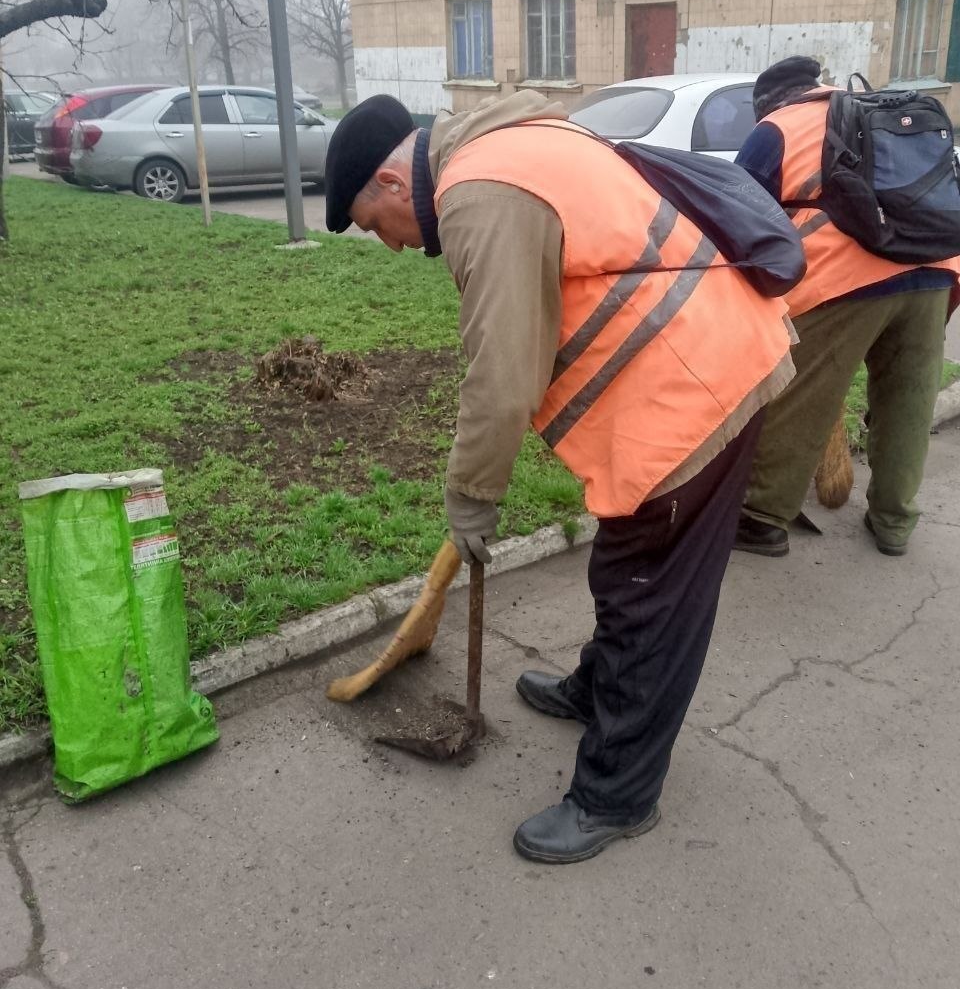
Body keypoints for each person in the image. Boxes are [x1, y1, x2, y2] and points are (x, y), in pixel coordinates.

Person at [324, 90, 797, 864]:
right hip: (687, 368)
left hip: (695, 388)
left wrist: (470, 498)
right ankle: (594, 691)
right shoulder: (506, 148)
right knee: (626, 570)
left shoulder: (477, 194)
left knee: (652, 602)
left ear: (385, 181)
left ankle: (617, 794)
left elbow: (502, 374)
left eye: (379, 227)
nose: (392, 246)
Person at [732, 56, 960, 559]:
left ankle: (762, 517)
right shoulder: (874, 109)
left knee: (801, 400)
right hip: (935, 268)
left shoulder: (777, 128)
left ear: (769, 104)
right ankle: (894, 521)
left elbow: (740, 218)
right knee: (909, 404)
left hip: (843, 281)